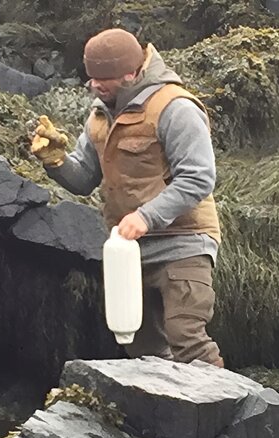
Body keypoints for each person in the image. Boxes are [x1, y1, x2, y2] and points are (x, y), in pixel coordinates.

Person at [29, 28, 224, 368]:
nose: (95, 86)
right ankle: (162, 416)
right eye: (91, 78)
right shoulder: (100, 116)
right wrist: (56, 161)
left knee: (187, 338)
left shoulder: (175, 107)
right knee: (141, 348)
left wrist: (146, 217)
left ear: (133, 73)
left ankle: (223, 416)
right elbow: (84, 179)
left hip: (184, 241)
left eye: (105, 78)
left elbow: (199, 177)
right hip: (130, 250)